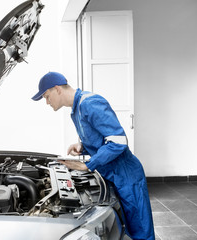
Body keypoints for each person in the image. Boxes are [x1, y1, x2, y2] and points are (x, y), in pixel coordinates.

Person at [32, 72, 155, 240]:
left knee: (140, 231)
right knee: (126, 229)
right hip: (111, 173)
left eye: (47, 96)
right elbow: (101, 138)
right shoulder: (76, 111)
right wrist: (81, 147)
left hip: (126, 175)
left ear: (57, 89)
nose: (47, 102)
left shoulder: (90, 103)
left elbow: (118, 141)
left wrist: (88, 164)